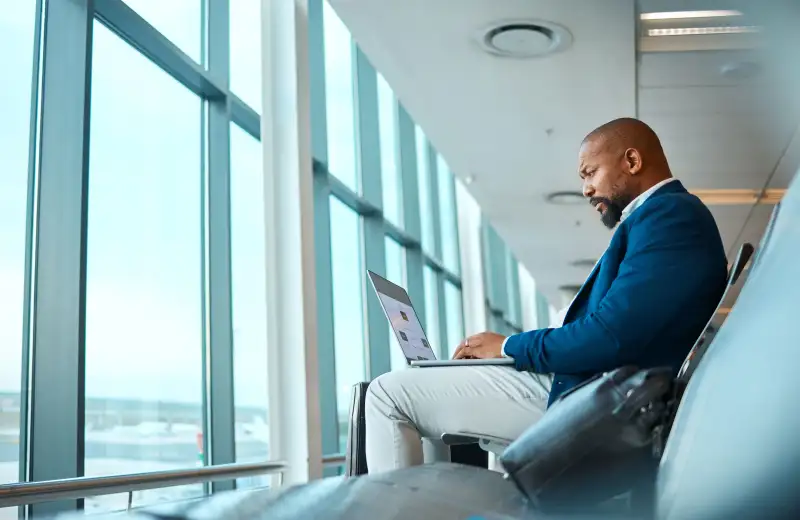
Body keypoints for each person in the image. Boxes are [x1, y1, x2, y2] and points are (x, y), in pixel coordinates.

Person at [365, 117, 728, 473]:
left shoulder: (670, 215)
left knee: (386, 393)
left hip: (591, 399)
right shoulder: (660, 218)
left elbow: (609, 337)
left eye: (590, 173)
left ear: (632, 161)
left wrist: (508, 346)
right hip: (594, 389)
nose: (586, 189)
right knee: (426, 394)